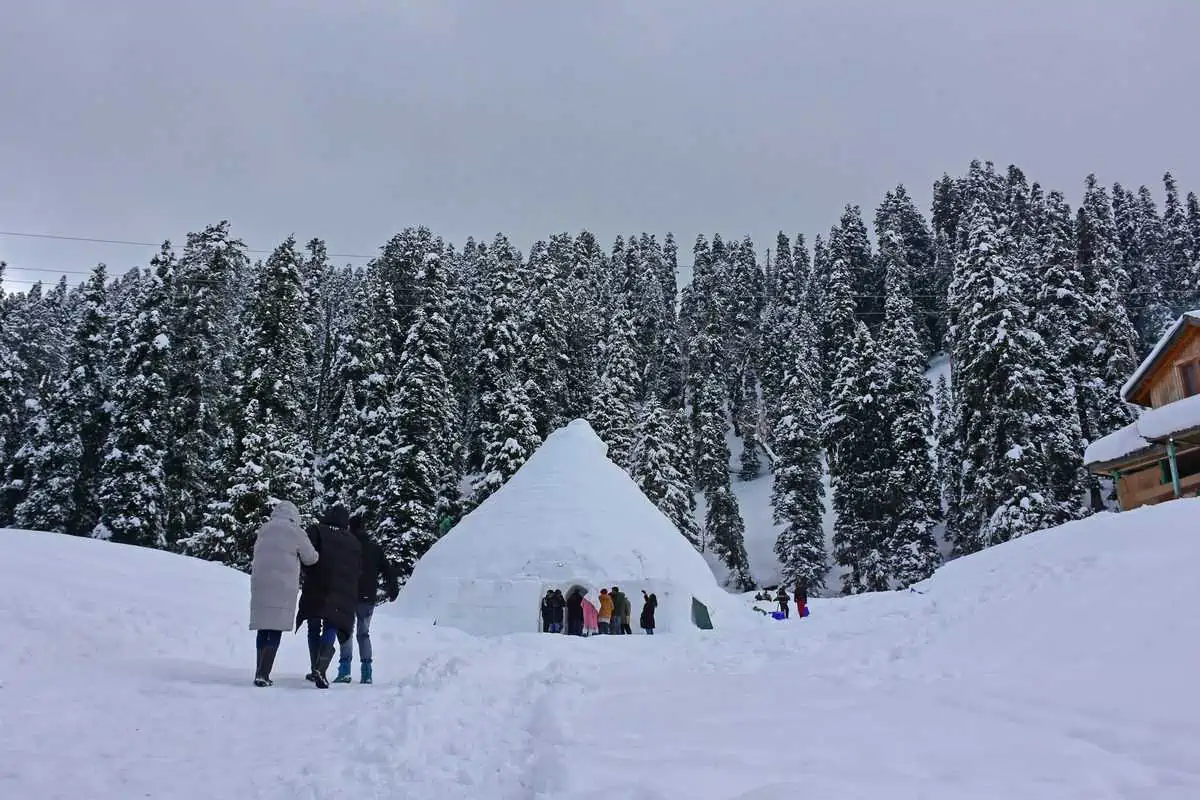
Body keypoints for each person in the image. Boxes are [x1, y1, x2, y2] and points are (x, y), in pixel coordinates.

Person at [249, 500, 318, 687]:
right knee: (275, 628)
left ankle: (259, 671)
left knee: (263, 627)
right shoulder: (295, 531)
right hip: (283, 585)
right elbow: (310, 558)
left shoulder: (264, 529)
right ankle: (264, 673)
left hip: (260, 583)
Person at [296, 504, 361, 689]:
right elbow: (357, 569)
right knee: (331, 624)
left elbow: (306, 555)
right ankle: (321, 668)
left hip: (316, 585)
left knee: (313, 626)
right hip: (341, 591)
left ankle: (314, 667)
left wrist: (307, 573)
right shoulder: (353, 541)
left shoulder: (317, 530)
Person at [333, 515, 399, 685]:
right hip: (368, 596)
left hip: (348, 595)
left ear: (350, 527)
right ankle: (367, 672)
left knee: (346, 631)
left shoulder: (346, 546)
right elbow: (388, 570)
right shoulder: (374, 548)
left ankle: (345, 670)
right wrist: (393, 588)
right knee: (363, 633)